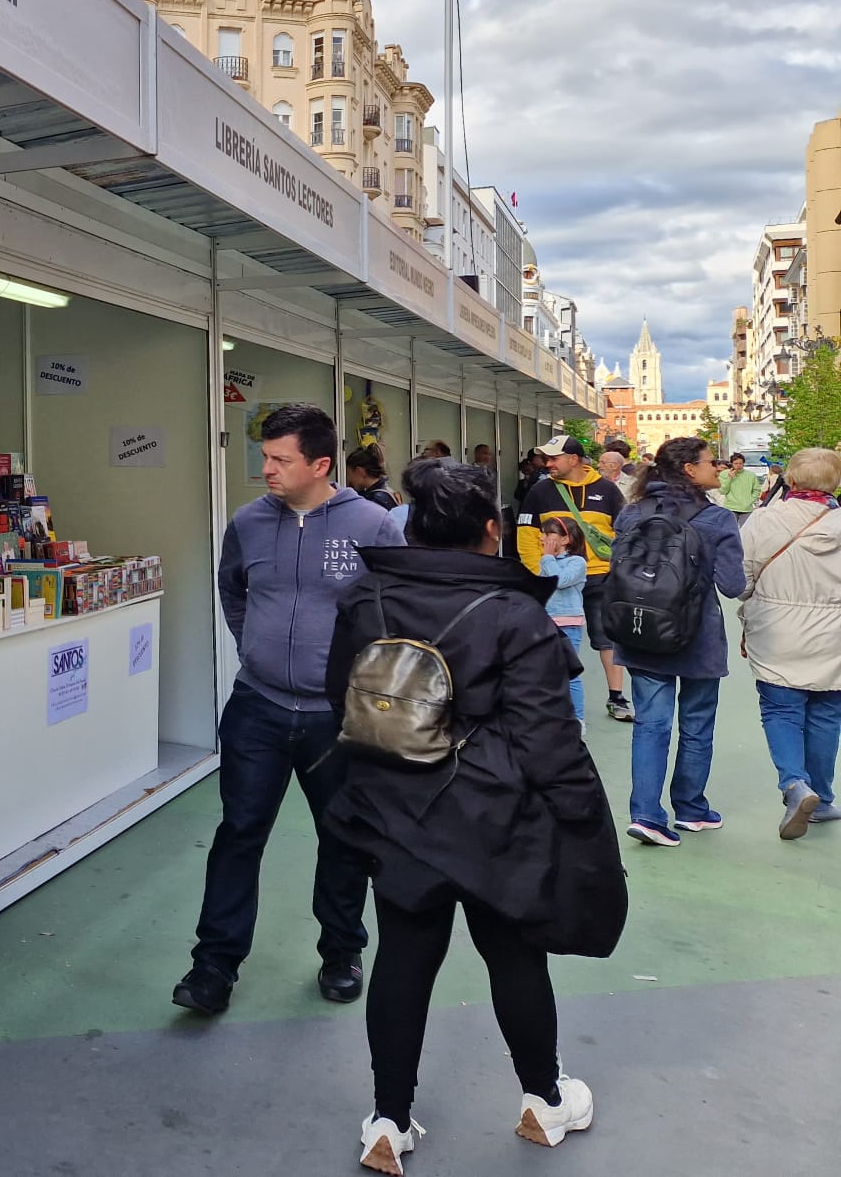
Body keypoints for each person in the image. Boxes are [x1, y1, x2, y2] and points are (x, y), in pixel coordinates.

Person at [325, 460, 621, 1172]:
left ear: (415, 527)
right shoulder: (516, 613)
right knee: (514, 957)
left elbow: (345, 695)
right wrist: (583, 820)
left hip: (396, 809)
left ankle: (388, 1122)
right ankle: (543, 1101)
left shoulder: (365, 597)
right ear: (492, 531)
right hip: (496, 816)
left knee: (401, 959)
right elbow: (548, 739)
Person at [173, 404, 406, 1017]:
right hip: (259, 706)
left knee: (342, 836)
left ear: (321, 464)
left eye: (280, 460)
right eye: (265, 457)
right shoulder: (248, 522)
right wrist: (256, 642)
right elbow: (232, 587)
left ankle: (340, 951)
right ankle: (213, 967)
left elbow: (398, 607)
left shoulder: (374, 527)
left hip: (340, 716)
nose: (266, 470)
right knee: (238, 833)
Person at [610, 437, 746, 847]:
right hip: (696, 636)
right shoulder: (717, 519)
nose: (717, 468)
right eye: (710, 462)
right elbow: (732, 584)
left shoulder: (631, 512)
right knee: (697, 723)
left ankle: (647, 814)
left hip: (640, 631)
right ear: (689, 469)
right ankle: (690, 809)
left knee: (651, 723)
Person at [737, 447, 841, 839]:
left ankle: (795, 785)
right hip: (834, 634)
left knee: (781, 710)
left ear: (790, 480)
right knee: (827, 714)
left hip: (777, 631)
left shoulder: (763, 521)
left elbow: (740, 581)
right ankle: (825, 797)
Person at [516, 436, 632, 722]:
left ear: (574, 459)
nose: (548, 464)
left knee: (607, 640)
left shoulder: (608, 491)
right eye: (547, 458)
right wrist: (540, 575)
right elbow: (527, 536)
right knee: (553, 642)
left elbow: (625, 532)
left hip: (600, 577)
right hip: (553, 584)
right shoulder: (539, 491)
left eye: (554, 458)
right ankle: (553, 702)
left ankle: (616, 696)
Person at [540, 516, 590, 725]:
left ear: (565, 539)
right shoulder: (547, 561)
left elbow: (558, 581)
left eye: (549, 534)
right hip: (548, 622)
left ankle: (577, 719)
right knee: (547, 672)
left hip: (568, 624)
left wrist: (548, 558)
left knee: (570, 673)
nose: (543, 538)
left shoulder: (576, 562)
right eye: (542, 534)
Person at [346, 446, 399, 511]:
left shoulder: (375, 500)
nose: (349, 480)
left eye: (349, 474)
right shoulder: (386, 492)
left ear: (360, 471)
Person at [718, 453, 763, 524]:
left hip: (746, 508)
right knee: (731, 531)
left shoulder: (751, 475)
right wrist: (729, 478)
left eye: (740, 463)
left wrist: (750, 500)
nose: (738, 465)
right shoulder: (724, 474)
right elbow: (722, 491)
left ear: (743, 463)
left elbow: (757, 490)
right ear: (731, 463)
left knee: (746, 531)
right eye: (736, 463)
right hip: (730, 507)